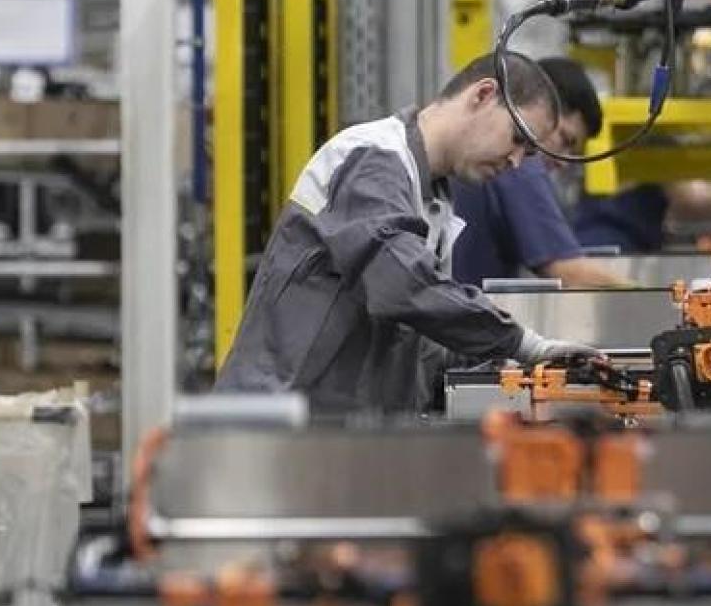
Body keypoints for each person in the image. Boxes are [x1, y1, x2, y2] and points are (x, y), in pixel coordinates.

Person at [214, 52, 601, 415]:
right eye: (518, 139)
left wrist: (505, 362)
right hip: (276, 428)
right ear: (483, 95)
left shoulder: (433, 202)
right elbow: (403, 286)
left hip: (333, 437)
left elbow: (417, 343)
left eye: (529, 154)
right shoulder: (372, 158)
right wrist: (522, 342)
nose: (517, 162)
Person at [450, 57, 629, 288]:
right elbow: (568, 271)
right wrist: (661, 297)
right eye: (565, 140)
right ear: (543, 110)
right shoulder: (520, 165)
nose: (565, 161)